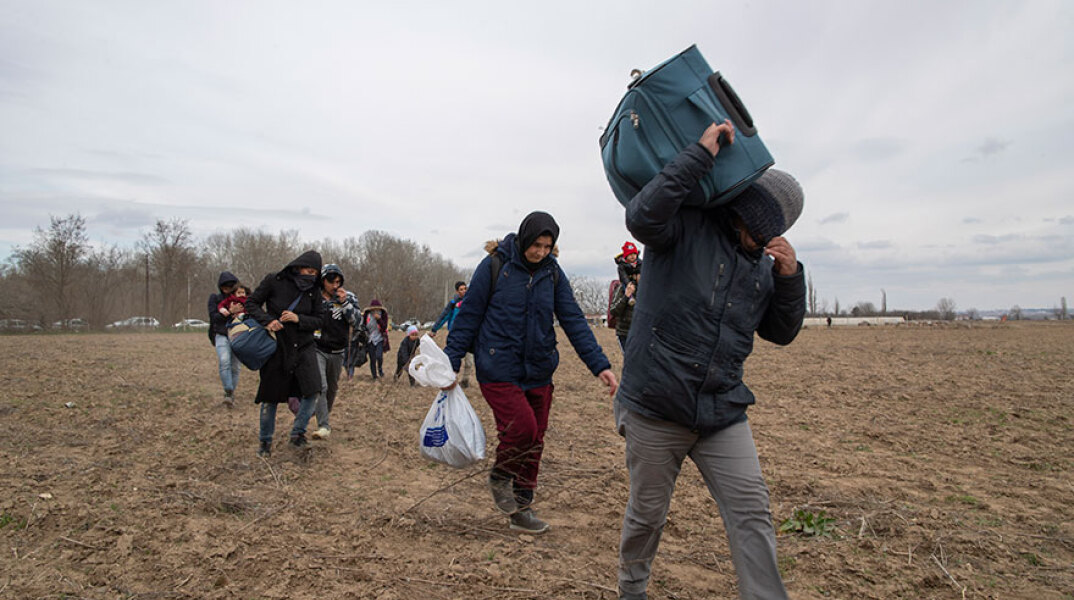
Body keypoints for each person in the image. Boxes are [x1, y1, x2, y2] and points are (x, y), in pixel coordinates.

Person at [614, 120, 805, 600]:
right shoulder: (684, 227)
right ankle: (631, 590)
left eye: (772, 232)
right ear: (744, 209)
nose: (762, 238)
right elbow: (641, 216)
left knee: (752, 512)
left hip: (720, 411)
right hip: (656, 406)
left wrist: (790, 278)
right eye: (759, 225)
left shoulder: (762, 268)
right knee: (647, 515)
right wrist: (699, 155)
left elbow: (781, 332)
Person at [443, 211, 619, 534]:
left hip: (539, 370)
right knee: (521, 429)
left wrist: (600, 365)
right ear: (524, 238)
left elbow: (574, 320)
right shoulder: (496, 265)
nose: (540, 252)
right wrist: (450, 362)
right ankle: (500, 478)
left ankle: (522, 508)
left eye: (547, 246)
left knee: (535, 439)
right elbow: (468, 316)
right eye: (536, 244)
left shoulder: (552, 273)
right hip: (498, 368)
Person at [246, 250, 326, 457]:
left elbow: (320, 319)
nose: (312, 276)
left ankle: (298, 434)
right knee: (270, 398)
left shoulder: (314, 292)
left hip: (304, 346)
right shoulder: (274, 281)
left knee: (313, 390)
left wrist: (299, 319)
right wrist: (267, 321)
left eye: (315, 273)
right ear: (298, 267)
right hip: (277, 346)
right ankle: (265, 442)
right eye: (309, 270)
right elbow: (251, 303)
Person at [311, 264, 357, 440]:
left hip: (338, 351)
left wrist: (345, 303)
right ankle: (324, 426)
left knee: (331, 388)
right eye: (331, 282)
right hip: (317, 348)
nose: (335, 285)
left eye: (338, 281)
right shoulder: (314, 298)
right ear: (323, 281)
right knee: (320, 387)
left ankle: (324, 414)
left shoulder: (349, 297)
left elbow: (357, 321)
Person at [207, 271, 242, 408]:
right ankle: (228, 390)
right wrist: (230, 312)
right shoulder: (215, 299)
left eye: (230, 286)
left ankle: (230, 394)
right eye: (224, 287)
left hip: (238, 334)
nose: (227, 289)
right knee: (224, 360)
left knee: (236, 366)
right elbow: (213, 317)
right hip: (221, 333)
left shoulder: (241, 298)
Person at [430, 280, 473, 387]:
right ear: (457, 291)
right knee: (453, 359)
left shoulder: (472, 302)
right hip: (456, 336)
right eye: (461, 289)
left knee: (469, 361)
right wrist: (434, 329)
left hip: (470, 335)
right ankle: (452, 379)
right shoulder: (453, 304)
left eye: (465, 289)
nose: (464, 291)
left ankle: (465, 380)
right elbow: (444, 316)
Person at [362, 299, 390, 381]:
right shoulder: (367, 316)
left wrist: (379, 319)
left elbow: (384, 327)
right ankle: (374, 375)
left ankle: (380, 369)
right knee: (372, 358)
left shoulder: (383, 315)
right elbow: (363, 326)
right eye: (373, 310)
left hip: (380, 339)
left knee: (379, 356)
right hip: (370, 339)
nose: (375, 311)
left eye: (377, 309)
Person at [609, 277, 638, 351]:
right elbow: (613, 311)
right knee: (630, 361)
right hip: (625, 333)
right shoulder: (623, 287)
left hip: (643, 333)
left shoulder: (649, 288)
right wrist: (626, 297)